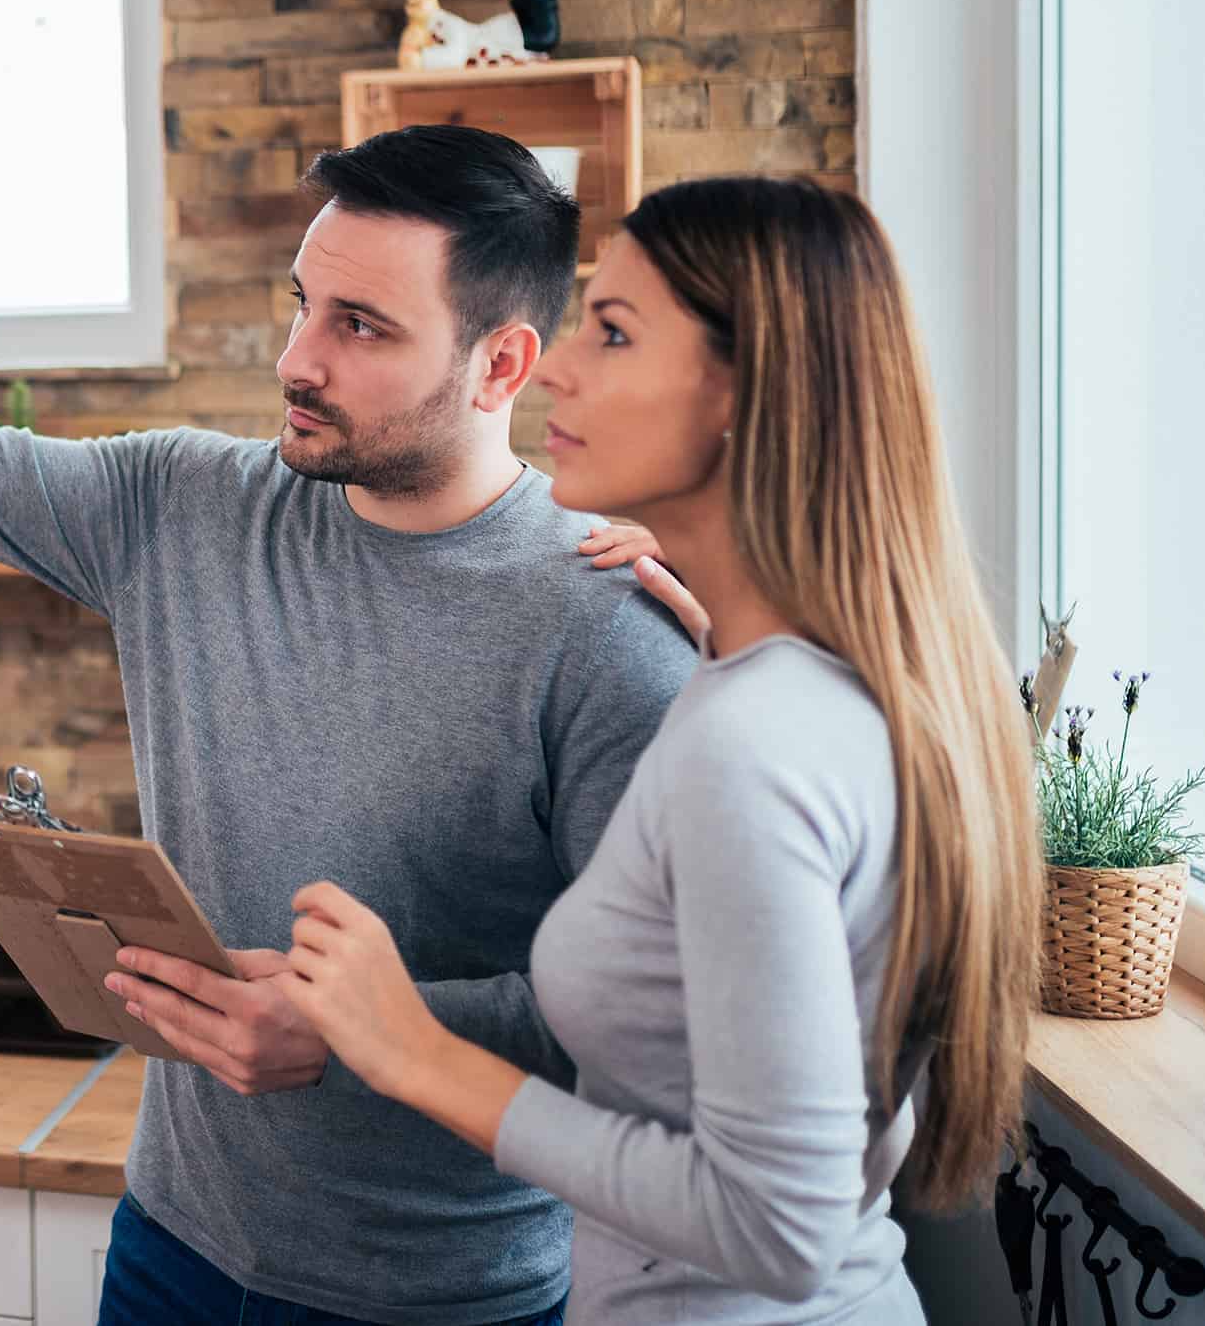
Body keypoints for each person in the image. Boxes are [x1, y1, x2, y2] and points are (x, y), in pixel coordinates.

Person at [0, 64, 700, 1326]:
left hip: (443, 1299)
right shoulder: (183, 506)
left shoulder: (605, 626)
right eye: (302, 304)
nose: (294, 359)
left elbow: (647, 1017)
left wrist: (360, 1028)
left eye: (360, 327)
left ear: (501, 364)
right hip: (173, 1250)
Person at [278, 177, 1044, 1324]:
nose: (557, 367)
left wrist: (411, 1049)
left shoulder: (753, 745)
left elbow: (776, 1227)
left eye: (615, 332)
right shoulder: (811, 685)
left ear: (748, 395)